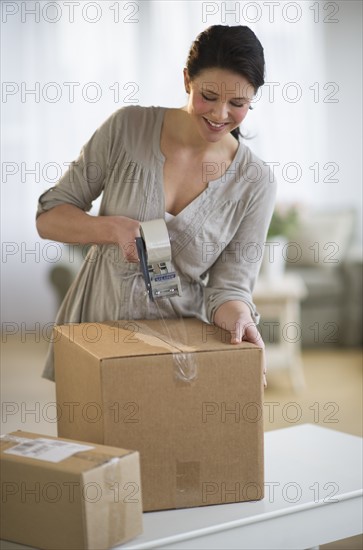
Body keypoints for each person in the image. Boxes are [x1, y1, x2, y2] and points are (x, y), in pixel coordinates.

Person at [36, 24, 277, 382]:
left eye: (238, 104)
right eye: (208, 96)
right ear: (186, 80)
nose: (220, 114)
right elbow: (49, 217)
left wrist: (240, 316)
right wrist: (110, 228)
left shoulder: (255, 181)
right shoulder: (128, 128)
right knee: (94, 437)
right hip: (97, 330)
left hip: (177, 348)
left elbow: (229, 288)